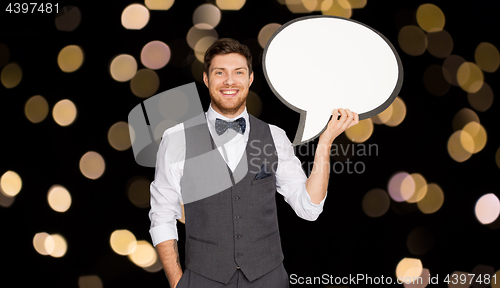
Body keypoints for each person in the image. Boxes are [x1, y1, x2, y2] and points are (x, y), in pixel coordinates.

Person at [149, 38, 359, 288]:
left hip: (268, 278)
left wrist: (325, 142)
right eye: (220, 73)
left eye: (238, 72)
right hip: (202, 279)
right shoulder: (176, 138)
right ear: (206, 79)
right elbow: (162, 216)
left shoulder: (275, 136)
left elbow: (309, 208)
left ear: (250, 79)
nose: (229, 81)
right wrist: (177, 282)